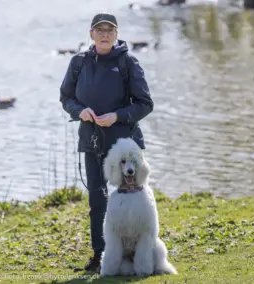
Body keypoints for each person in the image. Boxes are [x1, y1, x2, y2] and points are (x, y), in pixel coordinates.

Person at [59, 12, 154, 272]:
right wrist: (79, 111)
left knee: (134, 199)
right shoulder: (78, 63)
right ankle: (101, 254)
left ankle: (137, 252)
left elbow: (145, 104)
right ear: (91, 34)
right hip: (92, 141)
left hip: (125, 146)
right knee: (97, 200)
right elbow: (66, 97)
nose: (104, 34)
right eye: (99, 30)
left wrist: (117, 116)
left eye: (109, 30)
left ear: (116, 34)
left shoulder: (128, 63)